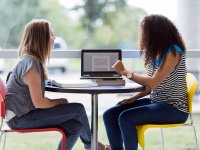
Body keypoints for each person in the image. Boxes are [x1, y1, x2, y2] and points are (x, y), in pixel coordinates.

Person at [5, 19, 106, 150]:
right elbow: (39, 103)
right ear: (42, 39)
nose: (54, 37)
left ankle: (91, 145)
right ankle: (92, 146)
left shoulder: (30, 60)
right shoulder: (30, 64)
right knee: (78, 109)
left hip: (22, 115)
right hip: (20, 119)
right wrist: (59, 101)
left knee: (75, 126)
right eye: (51, 34)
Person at [103, 14, 189, 150]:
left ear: (156, 33)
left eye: (145, 32)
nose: (143, 36)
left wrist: (125, 72)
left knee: (126, 117)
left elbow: (153, 82)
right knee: (109, 114)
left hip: (174, 109)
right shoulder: (157, 53)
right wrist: (134, 98)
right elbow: (150, 88)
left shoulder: (173, 52)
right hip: (157, 103)